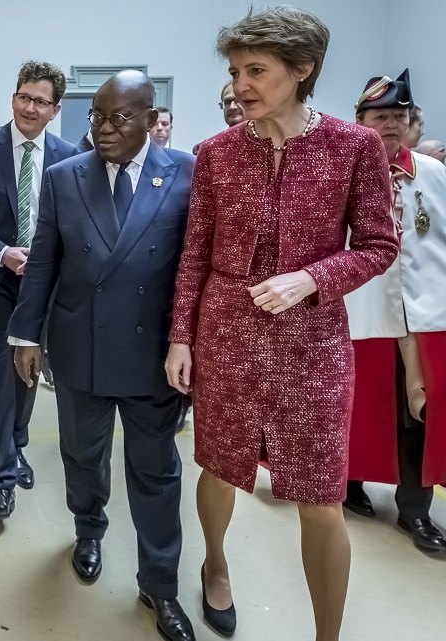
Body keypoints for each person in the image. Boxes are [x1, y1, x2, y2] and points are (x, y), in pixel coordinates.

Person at [165, 8, 399, 641]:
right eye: (236, 71)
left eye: (256, 71)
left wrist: (313, 278)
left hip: (315, 345)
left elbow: (379, 245)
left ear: (303, 70)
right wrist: (181, 336)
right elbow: (195, 252)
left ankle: (329, 634)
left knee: (321, 496)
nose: (240, 85)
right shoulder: (214, 153)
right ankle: (215, 564)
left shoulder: (354, 147)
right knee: (218, 468)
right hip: (226, 336)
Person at [11, 70, 197, 641]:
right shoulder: (67, 177)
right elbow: (43, 261)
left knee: (156, 472)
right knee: (83, 455)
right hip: (80, 347)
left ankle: (160, 584)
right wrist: (26, 335)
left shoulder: (186, 174)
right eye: (97, 117)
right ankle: (88, 528)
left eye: (120, 117)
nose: (105, 129)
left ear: (150, 117)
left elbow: (194, 268)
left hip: (153, 355)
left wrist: (190, 343)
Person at [0, 61, 77, 520]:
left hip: (41, 290)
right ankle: (3, 478)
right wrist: (1, 252)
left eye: (40, 101)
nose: (29, 107)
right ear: (13, 97)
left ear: (55, 109)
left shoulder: (70, 158)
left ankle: (18, 442)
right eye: (23, 97)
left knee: (28, 371)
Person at [344, 69, 446, 553]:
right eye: (380, 115)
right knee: (357, 406)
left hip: (424, 315)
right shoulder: (340, 172)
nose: (390, 124)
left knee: (417, 415)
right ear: (360, 121)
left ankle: (414, 512)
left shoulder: (434, 176)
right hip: (359, 312)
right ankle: (349, 485)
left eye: (398, 116)